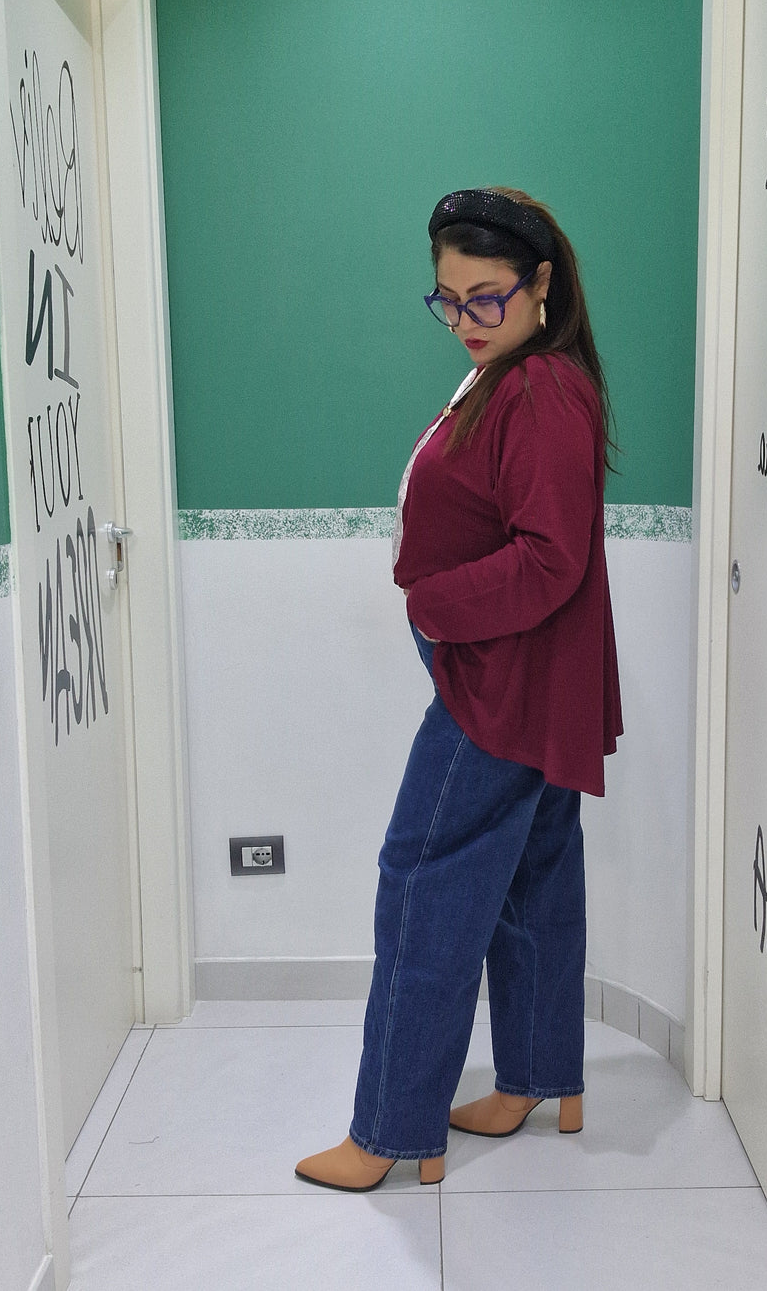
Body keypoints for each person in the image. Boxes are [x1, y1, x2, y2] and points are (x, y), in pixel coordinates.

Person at [295, 186, 623, 1191]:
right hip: (526, 679)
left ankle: (390, 1131)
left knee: (422, 881)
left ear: (540, 284)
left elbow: (549, 558)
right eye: (448, 299)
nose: (466, 320)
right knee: (530, 879)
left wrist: (432, 607)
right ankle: (537, 1081)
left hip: (500, 687)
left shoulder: (538, 388)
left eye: (487, 298)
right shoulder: (520, 376)